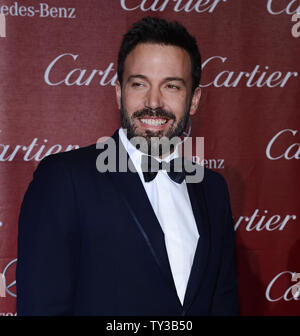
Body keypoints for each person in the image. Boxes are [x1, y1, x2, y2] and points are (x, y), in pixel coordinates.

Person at [16, 16, 239, 316]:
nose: (154, 102)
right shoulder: (64, 180)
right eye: (139, 84)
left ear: (194, 99)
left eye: (171, 86)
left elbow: (222, 305)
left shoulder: (213, 190)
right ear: (119, 92)